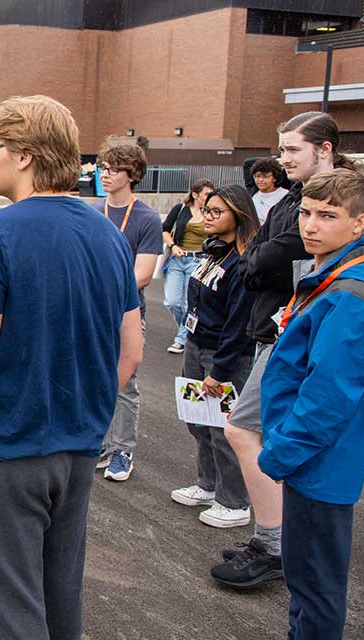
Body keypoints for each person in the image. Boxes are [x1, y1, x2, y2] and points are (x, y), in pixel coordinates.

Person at [0, 95, 142, 640]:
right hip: (76, 451)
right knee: (57, 590)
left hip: (3, 452)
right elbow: (131, 351)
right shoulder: (108, 235)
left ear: (23, 156)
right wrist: (83, 410)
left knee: (10, 609)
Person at [232, 168, 364, 640]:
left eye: (328, 216)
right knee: (304, 568)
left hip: (320, 462)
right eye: (308, 213)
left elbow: (329, 395)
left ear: (360, 223)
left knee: (315, 574)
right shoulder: (331, 278)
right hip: (313, 458)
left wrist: (282, 454)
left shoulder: (350, 295)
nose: (312, 226)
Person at [217, 111, 353, 590]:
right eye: (282, 148)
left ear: (325, 150)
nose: (283, 158)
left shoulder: (323, 200)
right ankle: (273, 540)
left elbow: (266, 259)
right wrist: (259, 258)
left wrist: (259, 257)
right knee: (258, 431)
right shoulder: (293, 199)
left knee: (242, 429)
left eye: (293, 149)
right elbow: (256, 259)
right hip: (277, 328)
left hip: (291, 334)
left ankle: (274, 544)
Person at [168, 185, 259, 529]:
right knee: (198, 422)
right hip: (196, 345)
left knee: (224, 429)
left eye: (216, 212)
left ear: (239, 215)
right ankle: (207, 485)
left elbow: (239, 323)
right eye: (206, 210)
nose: (207, 217)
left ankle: (234, 502)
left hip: (223, 356)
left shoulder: (243, 262)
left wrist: (220, 370)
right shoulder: (213, 252)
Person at [94, 140, 163, 482]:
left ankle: (122, 449)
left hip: (126, 313)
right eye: (102, 168)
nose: (105, 175)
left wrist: (102, 289)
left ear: (132, 174)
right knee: (92, 376)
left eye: (113, 169)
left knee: (124, 383)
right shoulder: (93, 211)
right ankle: (101, 443)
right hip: (92, 312)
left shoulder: (146, 218)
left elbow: (144, 274)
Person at [161, 179, 215, 354]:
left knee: (188, 303)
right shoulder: (181, 209)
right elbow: (165, 229)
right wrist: (173, 245)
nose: (210, 197)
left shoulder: (211, 212)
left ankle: (182, 338)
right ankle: (184, 328)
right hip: (178, 259)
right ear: (195, 194)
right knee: (172, 301)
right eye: (206, 194)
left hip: (200, 260)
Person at [250, 157, 289, 225]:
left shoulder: (285, 195)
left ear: (275, 178)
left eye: (265, 176)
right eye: (257, 176)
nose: (260, 180)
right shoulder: (252, 195)